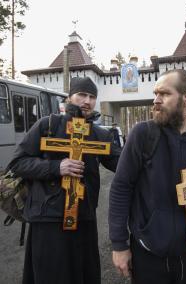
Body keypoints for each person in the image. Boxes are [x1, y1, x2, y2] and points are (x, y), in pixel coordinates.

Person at [109, 69, 186, 284]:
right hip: (149, 253)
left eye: (164, 94)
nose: (156, 100)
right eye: (155, 94)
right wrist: (119, 244)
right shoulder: (143, 135)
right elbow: (121, 188)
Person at [9, 77, 121, 284]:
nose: (87, 101)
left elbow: (123, 164)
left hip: (84, 216)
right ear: (70, 97)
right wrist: (56, 167)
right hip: (48, 218)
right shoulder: (47, 125)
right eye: (82, 95)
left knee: (83, 274)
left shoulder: (99, 134)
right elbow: (18, 163)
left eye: (92, 96)